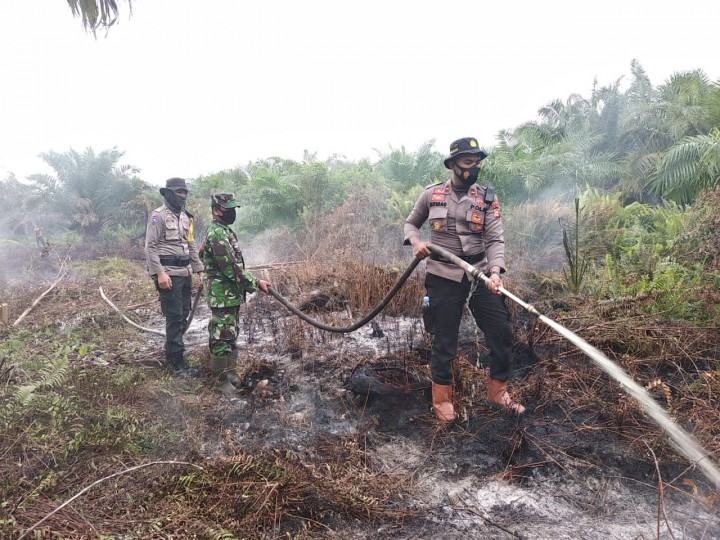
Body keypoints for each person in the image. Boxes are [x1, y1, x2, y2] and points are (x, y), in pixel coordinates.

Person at [404, 137, 525, 422]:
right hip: (443, 275)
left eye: (477, 163)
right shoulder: (431, 195)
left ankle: (498, 392)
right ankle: (442, 401)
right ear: (453, 165)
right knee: (445, 339)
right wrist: (416, 241)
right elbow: (411, 223)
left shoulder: (486, 198)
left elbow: (495, 238)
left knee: (501, 331)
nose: (474, 168)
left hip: (481, 274)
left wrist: (495, 273)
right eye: (468, 163)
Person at [201, 193, 271, 394]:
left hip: (229, 293)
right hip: (221, 294)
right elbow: (231, 268)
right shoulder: (217, 233)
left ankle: (231, 376)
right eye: (227, 209)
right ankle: (222, 382)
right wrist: (256, 283)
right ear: (215, 210)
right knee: (221, 336)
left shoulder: (224, 231)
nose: (231, 213)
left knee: (230, 334)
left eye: (233, 209)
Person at [145, 177, 204, 377]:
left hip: (185, 272)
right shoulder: (158, 216)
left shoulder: (187, 218)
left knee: (184, 313)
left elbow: (191, 244)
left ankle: (172, 355)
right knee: (174, 316)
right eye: (178, 192)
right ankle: (178, 364)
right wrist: (159, 272)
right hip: (168, 274)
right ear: (168, 193)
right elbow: (150, 246)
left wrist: (199, 269)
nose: (182, 196)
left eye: (184, 192)